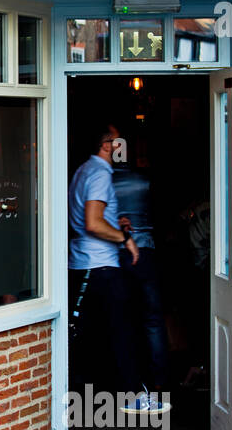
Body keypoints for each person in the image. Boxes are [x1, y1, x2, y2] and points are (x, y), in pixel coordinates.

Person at [67, 124, 165, 414]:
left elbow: (96, 216)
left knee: (96, 334)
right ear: (108, 145)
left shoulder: (84, 170)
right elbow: (93, 222)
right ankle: (133, 396)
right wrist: (126, 239)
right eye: (118, 139)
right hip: (99, 265)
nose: (123, 144)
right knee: (121, 332)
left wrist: (117, 221)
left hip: (87, 263)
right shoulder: (98, 174)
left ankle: (85, 401)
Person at [112, 133, 169, 403]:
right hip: (146, 249)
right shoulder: (145, 181)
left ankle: (130, 384)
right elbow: (160, 214)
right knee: (153, 320)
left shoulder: (104, 182)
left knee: (125, 319)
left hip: (119, 253)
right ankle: (159, 382)